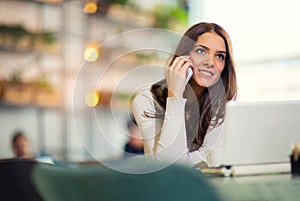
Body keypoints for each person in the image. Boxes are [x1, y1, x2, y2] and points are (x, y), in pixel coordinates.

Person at [132, 22, 237, 167]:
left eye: (219, 56)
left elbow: (215, 161)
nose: (210, 62)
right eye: (201, 51)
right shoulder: (147, 99)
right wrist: (175, 96)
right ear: (184, 56)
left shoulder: (223, 105)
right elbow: (168, 166)